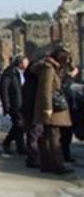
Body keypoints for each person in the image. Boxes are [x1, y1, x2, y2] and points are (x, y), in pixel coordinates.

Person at [34, 45, 74, 176]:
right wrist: (47, 108)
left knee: (48, 136)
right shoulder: (49, 69)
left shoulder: (54, 67)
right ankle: (57, 164)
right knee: (53, 136)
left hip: (52, 108)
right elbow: (46, 90)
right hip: (52, 109)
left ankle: (46, 164)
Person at [0, 55, 28, 155]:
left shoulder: (23, 73)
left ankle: (7, 142)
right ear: (20, 63)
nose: (27, 64)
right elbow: (4, 90)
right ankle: (20, 148)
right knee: (19, 125)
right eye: (25, 62)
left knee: (19, 125)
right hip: (14, 104)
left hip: (23, 104)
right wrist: (6, 106)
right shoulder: (9, 73)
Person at [21, 59, 42, 168]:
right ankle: (33, 159)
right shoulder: (32, 82)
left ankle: (33, 158)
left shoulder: (29, 81)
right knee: (34, 135)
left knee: (33, 135)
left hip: (29, 111)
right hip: (32, 111)